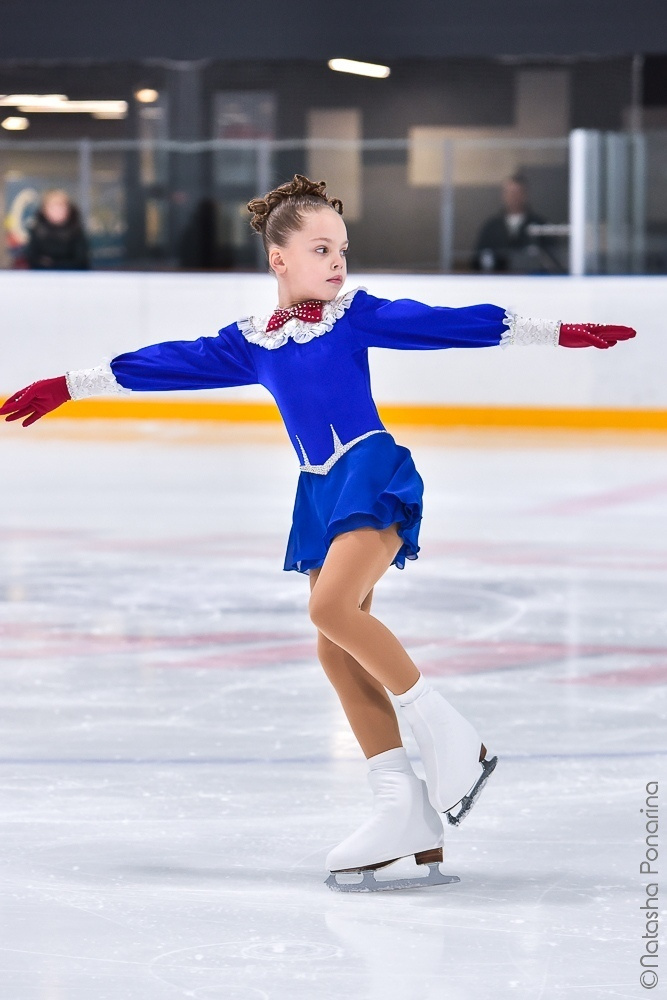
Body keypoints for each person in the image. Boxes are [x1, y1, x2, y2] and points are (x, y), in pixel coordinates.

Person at [0, 174, 636, 893]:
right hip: (319, 493)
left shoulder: (354, 316)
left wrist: (556, 332)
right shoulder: (252, 343)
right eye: (321, 249)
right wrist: (69, 384)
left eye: (342, 248)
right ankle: (403, 811)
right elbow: (169, 363)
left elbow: (444, 322)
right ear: (279, 259)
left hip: (370, 473)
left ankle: (454, 739)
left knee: (329, 609)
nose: (338, 262)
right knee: (335, 648)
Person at [474, 173, 550, 274]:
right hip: (498, 281)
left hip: (530, 281)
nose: (513, 197)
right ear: (503, 195)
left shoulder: (539, 225)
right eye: (509, 192)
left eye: (517, 192)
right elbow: (477, 261)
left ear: (525, 195)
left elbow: (550, 260)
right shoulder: (491, 227)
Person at [26, 189, 90, 271]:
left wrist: (54, 263)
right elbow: (32, 258)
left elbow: (81, 260)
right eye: (52, 207)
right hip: (42, 276)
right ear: (44, 210)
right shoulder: (36, 231)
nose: (57, 211)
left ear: (68, 210)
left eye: (60, 207)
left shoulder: (76, 231)